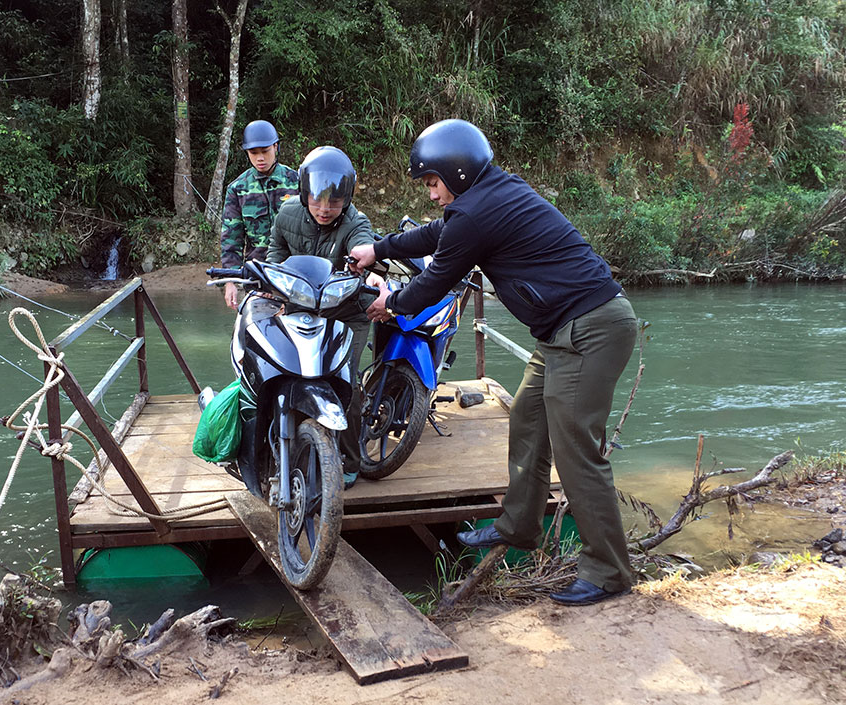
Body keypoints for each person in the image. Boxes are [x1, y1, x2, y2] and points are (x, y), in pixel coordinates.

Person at [349, 119, 638, 606]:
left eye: (433, 183)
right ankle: (519, 525)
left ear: (456, 173)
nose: (432, 195)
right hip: (561, 333)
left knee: (576, 452)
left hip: (589, 331)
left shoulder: (478, 213)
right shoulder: (488, 194)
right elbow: (436, 233)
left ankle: (609, 571)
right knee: (527, 417)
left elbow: (434, 281)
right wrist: (378, 247)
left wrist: (390, 303)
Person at [267, 145, 376, 487]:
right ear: (303, 193)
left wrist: (367, 267)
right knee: (281, 374)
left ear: (347, 197)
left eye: (334, 202)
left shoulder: (356, 222)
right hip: (300, 308)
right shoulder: (286, 215)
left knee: (346, 384)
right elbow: (276, 252)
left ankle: (349, 458)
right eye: (316, 200)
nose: (325, 209)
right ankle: (282, 448)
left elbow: (363, 246)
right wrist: (274, 288)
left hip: (347, 313)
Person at [219, 119, 299, 310]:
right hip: (257, 277)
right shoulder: (237, 189)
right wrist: (230, 281)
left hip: (296, 275)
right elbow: (231, 238)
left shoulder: (297, 182)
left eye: (265, 151)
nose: (260, 158)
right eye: (254, 153)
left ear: (276, 147)